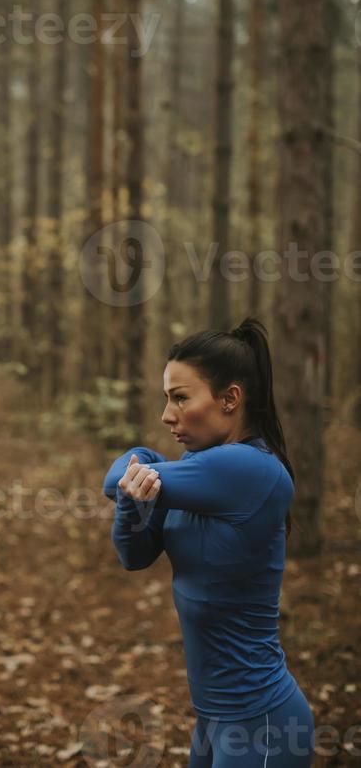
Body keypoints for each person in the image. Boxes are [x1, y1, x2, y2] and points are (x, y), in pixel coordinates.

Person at [102, 317, 316, 767]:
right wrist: (133, 494)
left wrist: (138, 466)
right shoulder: (195, 469)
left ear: (229, 399)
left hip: (263, 723)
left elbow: (116, 475)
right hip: (214, 719)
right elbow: (134, 554)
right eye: (167, 398)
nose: (167, 415)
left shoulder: (249, 469)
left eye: (181, 397)